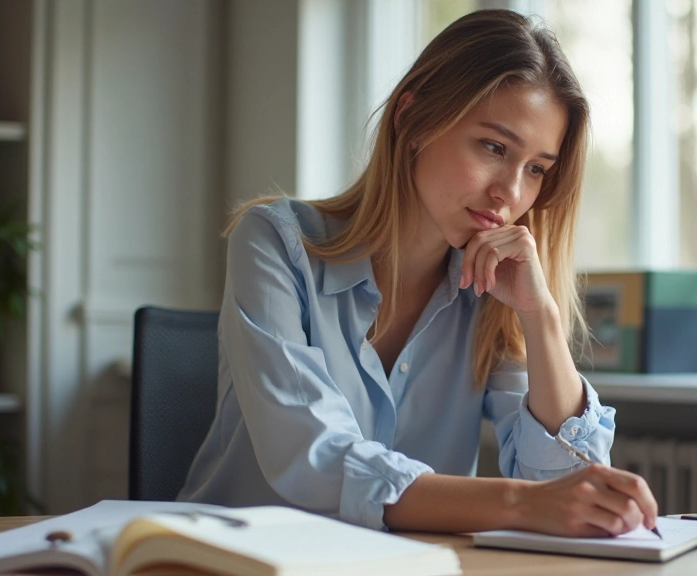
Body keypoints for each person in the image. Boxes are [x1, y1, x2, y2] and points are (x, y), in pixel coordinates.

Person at [178, 9, 658, 537]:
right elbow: (314, 458)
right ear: (412, 119)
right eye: (494, 147)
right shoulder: (275, 242)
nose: (510, 193)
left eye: (537, 169)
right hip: (239, 559)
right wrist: (522, 504)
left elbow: (571, 484)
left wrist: (539, 315)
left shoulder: (493, 287)